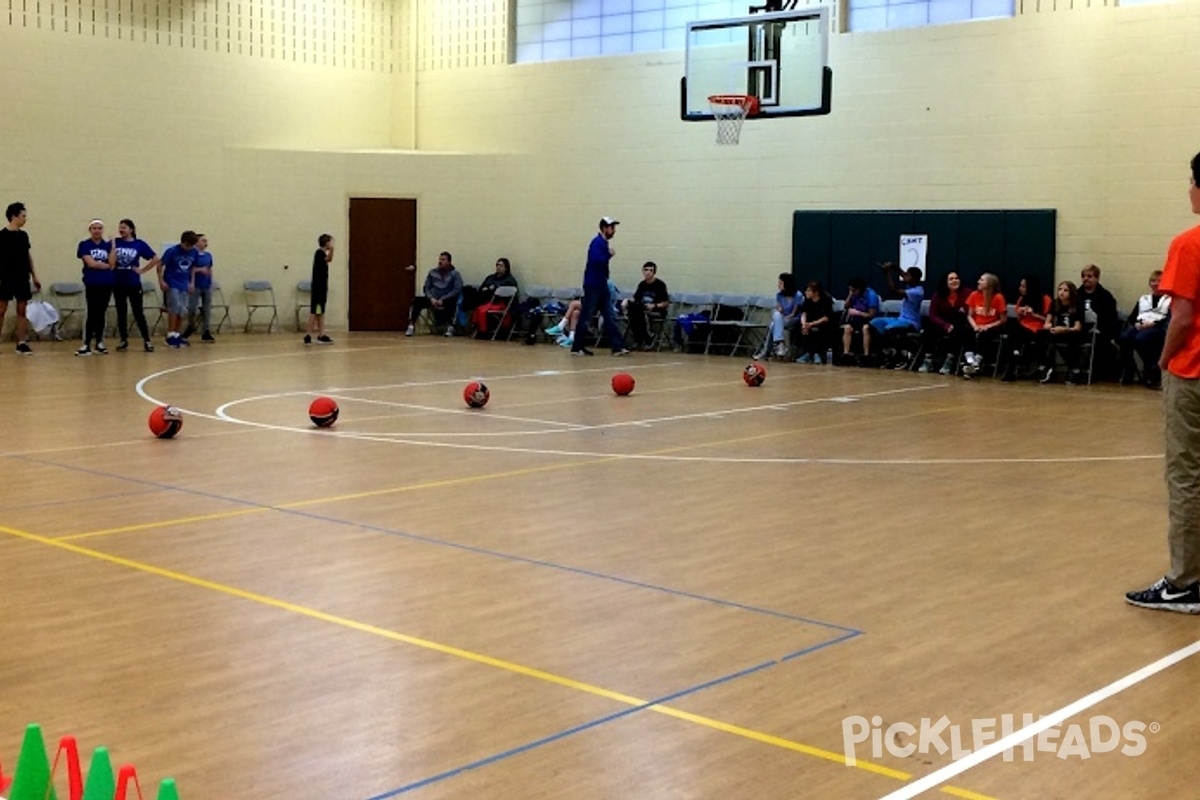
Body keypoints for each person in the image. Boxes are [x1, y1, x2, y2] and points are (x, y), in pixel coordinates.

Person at [1125, 151, 1200, 614]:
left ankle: (1186, 582)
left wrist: (1164, 359)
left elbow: (1183, 314)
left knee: (1186, 475)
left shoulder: (1189, 244)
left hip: (1193, 373)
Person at [571, 216, 630, 357]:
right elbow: (595, 261)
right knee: (586, 316)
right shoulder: (597, 243)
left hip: (601, 284)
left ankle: (617, 347)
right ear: (604, 228)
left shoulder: (602, 243)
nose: (614, 231)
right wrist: (608, 255)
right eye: (611, 228)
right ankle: (577, 346)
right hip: (593, 285)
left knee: (609, 315)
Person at [111, 219, 159, 352]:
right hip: (118, 282)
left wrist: (142, 270)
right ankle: (123, 340)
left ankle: (147, 340)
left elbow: (155, 258)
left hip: (133, 283)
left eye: (124, 228)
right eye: (120, 228)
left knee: (138, 312)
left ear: (131, 230)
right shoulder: (115, 243)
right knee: (121, 312)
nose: (121, 230)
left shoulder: (139, 244)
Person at [1118, 270, 1171, 388]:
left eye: (1159, 281)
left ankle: (1151, 368)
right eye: (1153, 281)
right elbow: (1132, 317)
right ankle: (1129, 368)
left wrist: (1153, 325)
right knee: (1124, 337)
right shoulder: (1143, 299)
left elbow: (1168, 319)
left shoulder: (1169, 300)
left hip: (1158, 327)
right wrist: (1136, 324)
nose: (1156, 283)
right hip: (1140, 325)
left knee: (1140, 339)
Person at [0, 201, 40, 355]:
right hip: (5, 277)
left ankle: (21, 342)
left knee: (22, 309)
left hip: (22, 277)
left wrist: (35, 276)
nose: (25, 219)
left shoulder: (23, 236)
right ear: (14, 216)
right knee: (1, 309)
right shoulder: (1, 236)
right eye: (23, 216)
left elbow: (28, 256)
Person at [870, 262, 924, 369]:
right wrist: (894, 267)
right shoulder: (910, 284)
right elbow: (902, 273)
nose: (904, 277)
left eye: (908, 275)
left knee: (890, 329)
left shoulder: (917, 291)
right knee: (874, 323)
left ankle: (900, 355)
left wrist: (888, 274)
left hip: (911, 322)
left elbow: (893, 291)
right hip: (900, 319)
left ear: (915, 278)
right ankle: (885, 352)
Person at [76, 219, 116, 356]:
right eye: (94, 228)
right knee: (91, 313)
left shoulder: (108, 245)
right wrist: (105, 266)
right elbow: (90, 263)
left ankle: (99, 342)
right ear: (90, 230)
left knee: (101, 313)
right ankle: (86, 343)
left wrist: (113, 247)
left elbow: (112, 263)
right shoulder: (85, 245)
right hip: (91, 283)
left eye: (99, 228)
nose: (97, 230)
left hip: (106, 283)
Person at [999, 276, 1050, 382]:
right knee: (1012, 332)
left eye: (1023, 286)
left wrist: (1034, 314)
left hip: (1038, 328)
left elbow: (1048, 319)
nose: (1020, 288)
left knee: (1015, 335)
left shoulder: (1045, 299)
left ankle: (1015, 360)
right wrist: (1019, 312)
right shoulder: (1022, 299)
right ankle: (1014, 358)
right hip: (1023, 327)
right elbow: (1019, 319)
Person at [1077, 264, 1120, 380]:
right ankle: (1075, 369)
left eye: (1089, 276)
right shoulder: (1077, 294)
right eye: (1083, 276)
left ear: (1097, 278)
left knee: (1099, 342)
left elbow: (1111, 318)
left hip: (1100, 330)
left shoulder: (1105, 296)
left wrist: (1102, 328)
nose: (1086, 279)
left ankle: (1095, 371)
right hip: (1080, 329)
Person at [1037, 281, 1085, 384]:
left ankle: (1074, 368)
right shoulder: (1054, 303)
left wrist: (1064, 329)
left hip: (1071, 332)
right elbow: (1047, 322)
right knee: (1042, 334)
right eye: (1060, 289)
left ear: (1071, 293)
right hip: (1057, 331)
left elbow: (1077, 328)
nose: (1061, 292)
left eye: (1065, 290)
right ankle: (1047, 366)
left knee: (1069, 339)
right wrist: (1049, 326)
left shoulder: (1078, 305)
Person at [158, 231, 199, 348]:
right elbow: (160, 265)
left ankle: (177, 334)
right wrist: (161, 281)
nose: (189, 248)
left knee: (182, 310)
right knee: (174, 308)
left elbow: (193, 268)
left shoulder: (194, 252)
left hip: (184, 284)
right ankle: (170, 335)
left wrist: (192, 282)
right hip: (172, 283)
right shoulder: (172, 252)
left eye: (191, 246)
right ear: (182, 242)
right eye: (187, 245)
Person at [405, 251, 462, 336]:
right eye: (440, 259)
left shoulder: (455, 274)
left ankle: (450, 326)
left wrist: (443, 299)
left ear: (449, 262)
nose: (440, 261)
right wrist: (431, 298)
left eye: (443, 260)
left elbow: (457, 289)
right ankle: (411, 326)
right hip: (433, 298)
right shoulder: (432, 272)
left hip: (446, 299)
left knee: (452, 302)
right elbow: (426, 287)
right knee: (416, 301)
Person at [923, 271, 969, 374]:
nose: (955, 281)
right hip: (942, 322)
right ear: (945, 282)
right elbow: (933, 315)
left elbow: (968, 311)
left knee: (958, 330)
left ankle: (950, 359)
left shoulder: (966, 293)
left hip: (959, 323)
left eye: (956, 278)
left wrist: (964, 310)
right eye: (951, 279)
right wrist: (944, 325)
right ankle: (928, 359)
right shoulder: (938, 295)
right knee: (930, 328)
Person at [961, 272, 1006, 378]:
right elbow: (970, 315)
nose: (978, 282)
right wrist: (975, 326)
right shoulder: (974, 295)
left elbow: (1003, 319)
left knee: (985, 334)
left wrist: (987, 326)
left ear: (990, 283)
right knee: (967, 331)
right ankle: (970, 360)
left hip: (991, 326)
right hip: (976, 325)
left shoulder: (998, 297)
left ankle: (977, 361)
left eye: (982, 280)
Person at [753, 273, 802, 361]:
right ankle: (778, 343)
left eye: (780, 283)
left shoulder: (797, 295)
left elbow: (793, 313)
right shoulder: (779, 295)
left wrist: (783, 316)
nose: (778, 285)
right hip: (782, 319)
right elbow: (780, 310)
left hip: (793, 319)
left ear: (787, 283)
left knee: (774, 323)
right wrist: (779, 309)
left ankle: (767, 351)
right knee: (775, 319)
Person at [623, 261, 669, 350]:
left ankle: (648, 338)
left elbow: (665, 303)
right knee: (632, 311)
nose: (648, 272)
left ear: (654, 272)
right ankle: (638, 338)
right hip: (642, 309)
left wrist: (654, 305)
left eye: (650, 270)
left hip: (656, 310)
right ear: (643, 271)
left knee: (639, 314)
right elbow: (636, 299)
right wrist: (627, 301)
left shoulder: (660, 285)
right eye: (646, 270)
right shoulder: (642, 284)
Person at [469, 257, 519, 337]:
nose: (498, 267)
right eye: (497, 265)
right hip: (487, 301)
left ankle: (483, 332)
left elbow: (502, 292)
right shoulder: (490, 278)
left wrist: (490, 289)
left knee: (483, 310)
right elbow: (483, 287)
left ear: (506, 268)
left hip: (501, 303)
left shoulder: (510, 280)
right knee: (477, 306)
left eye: (501, 266)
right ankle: (477, 327)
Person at [839, 277, 880, 364]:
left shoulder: (871, 295)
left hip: (869, 320)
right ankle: (846, 355)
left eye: (853, 290)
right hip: (856, 320)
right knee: (847, 328)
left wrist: (858, 313)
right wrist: (850, 295)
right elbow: (846, 306)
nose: (852, 292)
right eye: (850, 290)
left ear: (860, 289)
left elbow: (871, 315)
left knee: (865, 328)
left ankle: (866, 355)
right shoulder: (853, 294)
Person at [184, 233, 216, 343]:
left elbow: (209, 269)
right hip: (195, 285)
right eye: (203, 240)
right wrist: (192, 283)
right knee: (192, 308)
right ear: (197, 242)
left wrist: (211, 282)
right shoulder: (192, 254)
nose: (205, 243)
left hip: (206, 285)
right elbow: (190, 269)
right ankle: (191, 326)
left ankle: (206, 331)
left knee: (206, 309)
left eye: (206, 241)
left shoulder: (208, 255)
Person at [793, 281, 835, 364]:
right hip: (809, 323)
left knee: (818, 330)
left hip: (821, 323)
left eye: (808, 291)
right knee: (798, 328)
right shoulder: (807, 301)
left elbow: (826, 318)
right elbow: (804, 314)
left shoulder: (826, 300)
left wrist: (811, 324)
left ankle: (816, 354)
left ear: (816, 293)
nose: (806, 292)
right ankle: (808, 353)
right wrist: (804, 324)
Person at [304, 234, 334, 345]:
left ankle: (321, 334)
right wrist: (332, 250)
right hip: (318, 288)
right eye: (330, 242)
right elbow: (329, 259)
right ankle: (308, 335)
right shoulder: (319, 253)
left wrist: (331, 250)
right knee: (314, 311)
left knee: (320, 312)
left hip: (321, 287)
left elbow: (329, 259)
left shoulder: (322, 254)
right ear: (326, 243)